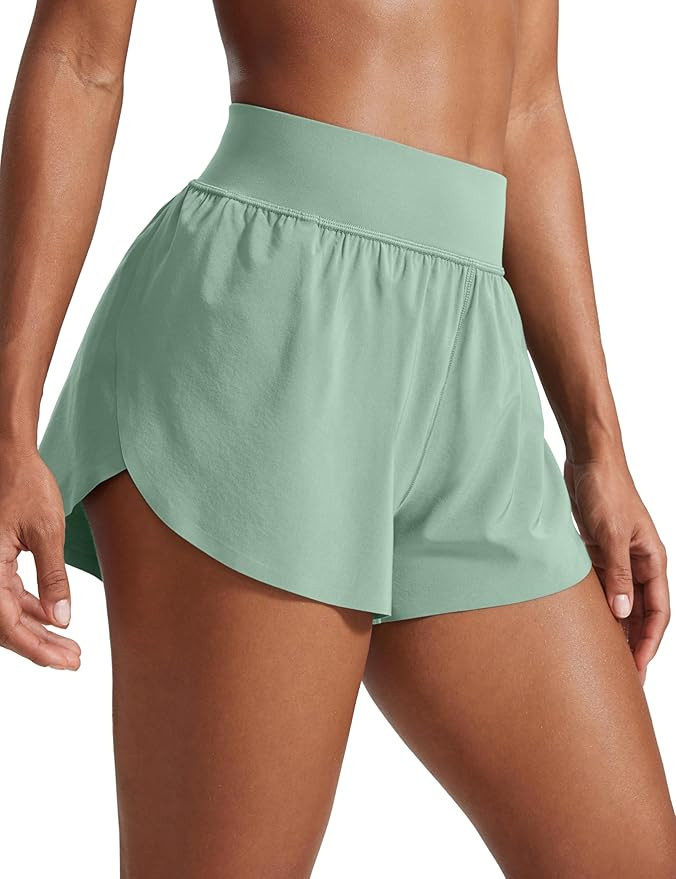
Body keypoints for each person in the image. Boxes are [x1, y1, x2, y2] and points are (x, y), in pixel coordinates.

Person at [0, 0, 674, 876]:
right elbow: (80, 58)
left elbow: (529, 105)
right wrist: (8, 425)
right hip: (273, 330)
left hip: (473, 358)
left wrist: (598, 446)